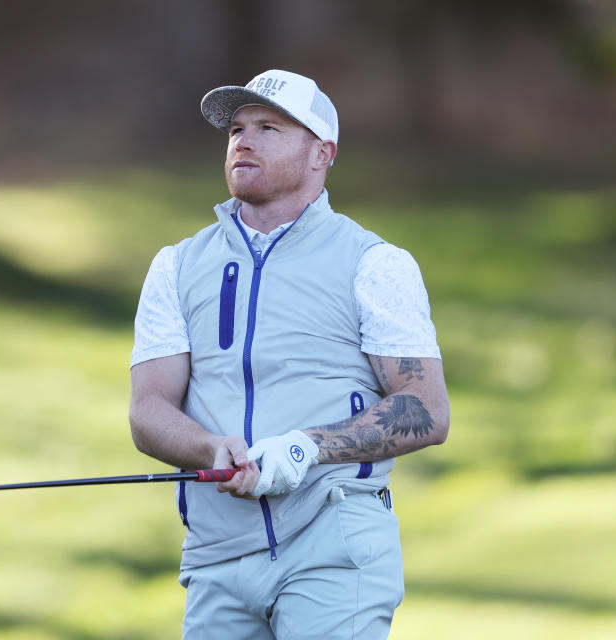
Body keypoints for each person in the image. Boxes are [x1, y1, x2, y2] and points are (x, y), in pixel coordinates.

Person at [128, 69, 449, 640]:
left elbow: (425, 408)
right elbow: (148, 410)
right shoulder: (175, 266)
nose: (243, 141)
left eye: (269, 128)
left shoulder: (375, 263)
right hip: (216, 556)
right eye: (236, 129)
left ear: (322, 153)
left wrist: (305, 449)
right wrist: (208, 446)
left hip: (333, 543)